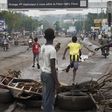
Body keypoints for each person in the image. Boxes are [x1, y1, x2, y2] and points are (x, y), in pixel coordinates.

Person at [40, 28, 60, 112]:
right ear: (54, 37)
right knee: (50, 98)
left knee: (45, 94)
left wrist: (55, 49)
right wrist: (57, 82)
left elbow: (46, 56)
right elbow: (52, 68)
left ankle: (44, 108)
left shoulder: (43, 47)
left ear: (45, 37)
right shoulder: (52, 50)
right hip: (49, 76)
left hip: (43, 73)